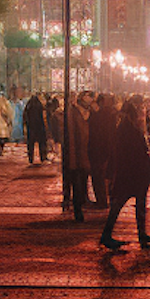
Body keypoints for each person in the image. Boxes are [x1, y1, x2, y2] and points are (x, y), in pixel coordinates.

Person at [100, 94, 150, 252]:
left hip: (131, 174)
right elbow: (135, 152)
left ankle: (141, 235)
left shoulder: (125, 128)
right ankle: (110, 236)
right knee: (124, 205)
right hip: (132, 174)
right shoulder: (128, 130)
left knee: (130, 205)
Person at [66, 90, 93, 221]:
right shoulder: (74, 113)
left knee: (82, 182)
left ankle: (80, 204)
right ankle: (77, 209)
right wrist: (72, 158)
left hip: (85, 154)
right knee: (77, 183)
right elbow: (72, 136)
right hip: (77, 155)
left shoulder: (87, 115)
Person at [88, 93, 116, 207]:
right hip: (107, 151)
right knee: (106, 177)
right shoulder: (112, 115)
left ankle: (102, 201)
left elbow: (97, 134)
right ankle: (105, 200)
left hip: (98, 151)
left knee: (98, 177)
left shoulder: (99, 116)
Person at [23, 90, 48, 166]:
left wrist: (26, 124)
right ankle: (43, 157)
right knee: (42, 142)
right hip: (39, 126)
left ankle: (31, 159)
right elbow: (42, 116)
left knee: (31, 144)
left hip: (31, 126)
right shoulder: (39, 105)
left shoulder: (29, 104)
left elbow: (25, 115)